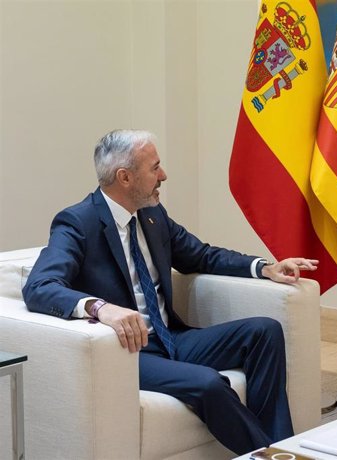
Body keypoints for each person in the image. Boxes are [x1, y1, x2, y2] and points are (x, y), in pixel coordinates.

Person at [22, 129, 319, 454]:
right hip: (128, 353)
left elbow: (201, 255)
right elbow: (39, 286)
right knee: (208, 383)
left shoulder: (152, 215)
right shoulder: (78, 222)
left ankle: (278, 446)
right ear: (125, 177)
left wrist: (263, 268)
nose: (163, 175)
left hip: (171, 338)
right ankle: (277, 455)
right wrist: (99, 307)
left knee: (264, 331)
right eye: (154, 168)